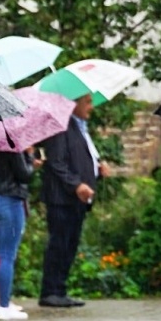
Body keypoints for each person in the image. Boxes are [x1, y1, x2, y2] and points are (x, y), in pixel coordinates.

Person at [38, 93, 112, 308]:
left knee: (70, 245)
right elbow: (57, 162)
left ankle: (60, 290)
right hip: (62, 199)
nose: (91, 107)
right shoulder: (60, 126)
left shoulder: (80, 128)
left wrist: (98, 169)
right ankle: (50, 291)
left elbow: (81, 159)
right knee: (59, 244)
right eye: (87, 102)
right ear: (74, 103)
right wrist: (76, 185)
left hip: (78, 200)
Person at [0, 145, 39, 321]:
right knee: (6, 255)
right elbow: (24, 175)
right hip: (9, 202)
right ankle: (4, 305)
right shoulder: (13, 145)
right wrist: (30, 157)